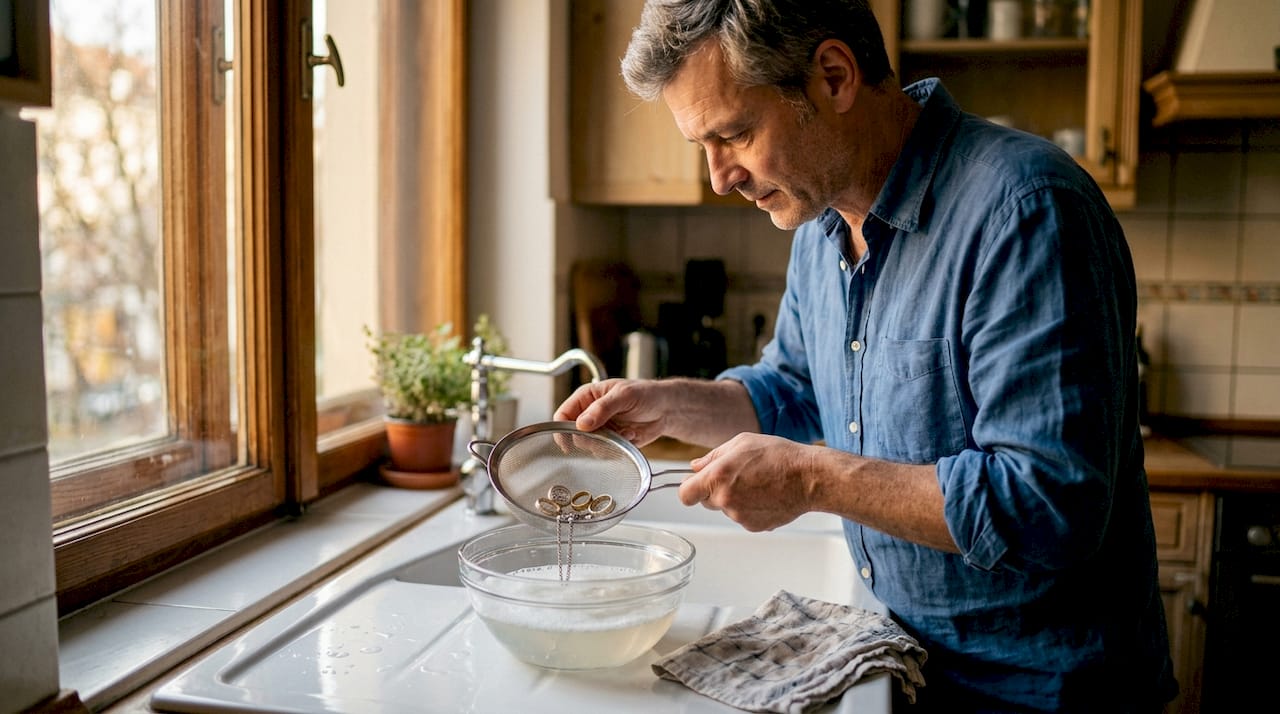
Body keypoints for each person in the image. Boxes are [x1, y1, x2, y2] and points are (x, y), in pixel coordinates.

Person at [554, 1, 1177, 711]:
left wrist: (814, 479)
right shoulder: (819, 227)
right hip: (905, 666)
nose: (720, 176)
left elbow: (1046, 503)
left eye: (734, 134)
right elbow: (794, 390)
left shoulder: (1025, 210)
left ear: (833, 77)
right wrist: (668, 403)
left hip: (1041, 695)